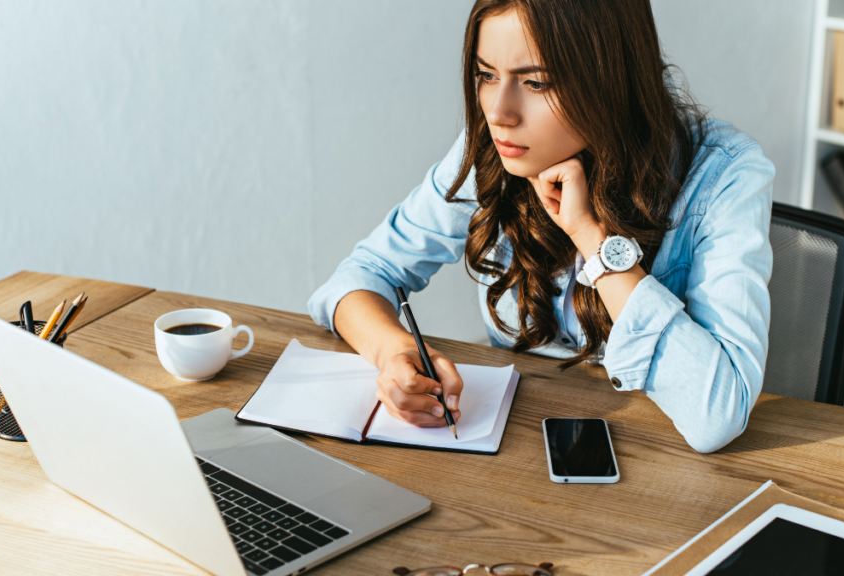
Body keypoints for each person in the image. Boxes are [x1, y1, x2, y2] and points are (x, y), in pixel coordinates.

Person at [307, 0, 774, 454]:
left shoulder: (725, 175)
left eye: (535, 82)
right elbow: (360, 276)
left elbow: (717, 416)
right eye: (486, 75)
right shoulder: (493, 148)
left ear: (610, 79)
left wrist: (592, 238)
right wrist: (394, 351)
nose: (498, 113)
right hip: (517, 444)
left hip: (657, 455)